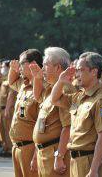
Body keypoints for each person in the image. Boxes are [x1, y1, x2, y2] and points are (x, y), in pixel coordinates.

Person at [50, 52, 102, 177]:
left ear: (94, 72)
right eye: (76, 70)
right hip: (75, 160)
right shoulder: (78, 97)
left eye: (81, 70)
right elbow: (55, 99)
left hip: (89, 161)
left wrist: (93, 170)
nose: (77, 74)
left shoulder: (100, 101)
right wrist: (61, 81)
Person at [29, 47, 71, 176]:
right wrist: (36, 155)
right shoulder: (51, 90)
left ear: (58, 67)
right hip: (44, 153)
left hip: (54, 153)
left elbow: (67, 127)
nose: (43, 69)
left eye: (46, 65)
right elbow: (38, 97)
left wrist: (59, 157)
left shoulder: (65, 90)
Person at [8, 49, 43, 177]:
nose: (19, 67)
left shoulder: (41, 89)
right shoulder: (24, 85)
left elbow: (41, 125)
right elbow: (11, 82)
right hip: (17, 147)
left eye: (22, 63)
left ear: (32, 64)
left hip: (29, 148)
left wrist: (36, 154)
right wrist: (13, 69)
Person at [0, 60, 16, 157]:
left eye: (3, 67)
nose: (2, 69)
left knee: (8, 129)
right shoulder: (4, 78)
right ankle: (5, 147)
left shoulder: (11, 79)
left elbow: (11, 96)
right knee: (2, 130)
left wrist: (7, 109)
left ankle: (10, 148)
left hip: (8, 108)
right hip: (0, 108)